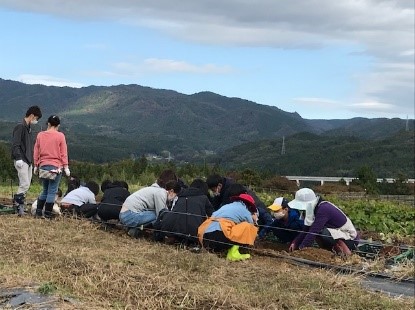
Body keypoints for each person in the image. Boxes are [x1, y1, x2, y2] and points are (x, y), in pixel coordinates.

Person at [288, 188, 359, 255]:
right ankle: (328, 252)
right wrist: (295, 243)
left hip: (350, 238)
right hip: (338, 233)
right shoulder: (311, 210)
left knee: (324, 232)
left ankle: (346, 254)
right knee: (321, 233)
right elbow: (306, 230)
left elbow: (313, 232)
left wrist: (302, 249)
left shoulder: (323, 209)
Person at [198, 193, 259, 261]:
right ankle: (233, 253)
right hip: (220, 234)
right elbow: (252, 227)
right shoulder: (245, 211)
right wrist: (254, 219)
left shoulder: (226, 206)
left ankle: (219, 251)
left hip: (204, 236)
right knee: (249, 227)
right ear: (249, 206)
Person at [119, 169, 179, 237]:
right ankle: (137, 230)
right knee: (157, 215)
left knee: (155, 213)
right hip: (130, 215)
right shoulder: (160, 193)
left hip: (125, 215)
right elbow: (162, 215)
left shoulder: (153, 189)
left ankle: (133, 228)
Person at [155, 178, 214, 245]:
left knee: (164, 212)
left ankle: (157, 235)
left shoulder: (181, 196)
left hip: (176, 231)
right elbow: (213, 215)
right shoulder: (204, 198)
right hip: (194, 234)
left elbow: (174, 212)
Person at [33, 115, 69, 219]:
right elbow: (63, 153)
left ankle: (39, 213)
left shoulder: (40, 135)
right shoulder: (60, 136)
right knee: (52, 191)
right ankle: (48, 214)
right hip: (56, 167)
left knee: (45, 190)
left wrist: (36, 165)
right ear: (58, 125)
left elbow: (36, 151)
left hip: (43, 166)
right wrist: (66, 167)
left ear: (48, 123)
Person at [11, 105, 42, 215]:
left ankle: (20, 204)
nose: (36, 121)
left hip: (28, 160)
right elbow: (16, 144)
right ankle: (19, 206)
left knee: (27, 184)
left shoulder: (28, 128)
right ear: (32, 115)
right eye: (37, 118)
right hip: (22, 159)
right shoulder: (20, 127)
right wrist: (18, 158)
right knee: (24, 184)